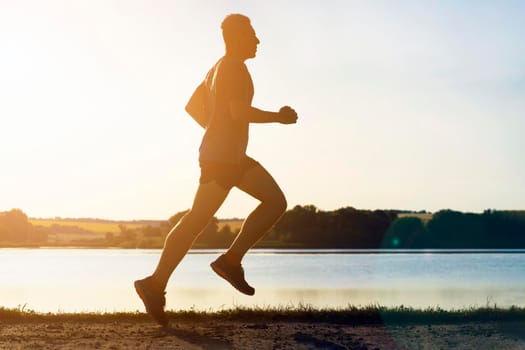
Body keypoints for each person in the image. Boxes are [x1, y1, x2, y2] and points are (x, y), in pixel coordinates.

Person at [134, 13, 298, 326]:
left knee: (274, 201)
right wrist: (277, 117)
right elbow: (238, 112)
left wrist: (216, 128)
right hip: (223, 158)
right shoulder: (235, 68)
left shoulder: (216, 68)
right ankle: (155, 284)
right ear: (238, 38)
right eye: (252, 35)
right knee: (196, 219)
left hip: (230, 156)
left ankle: (229, 261)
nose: (258, 41)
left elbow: (193, 107)